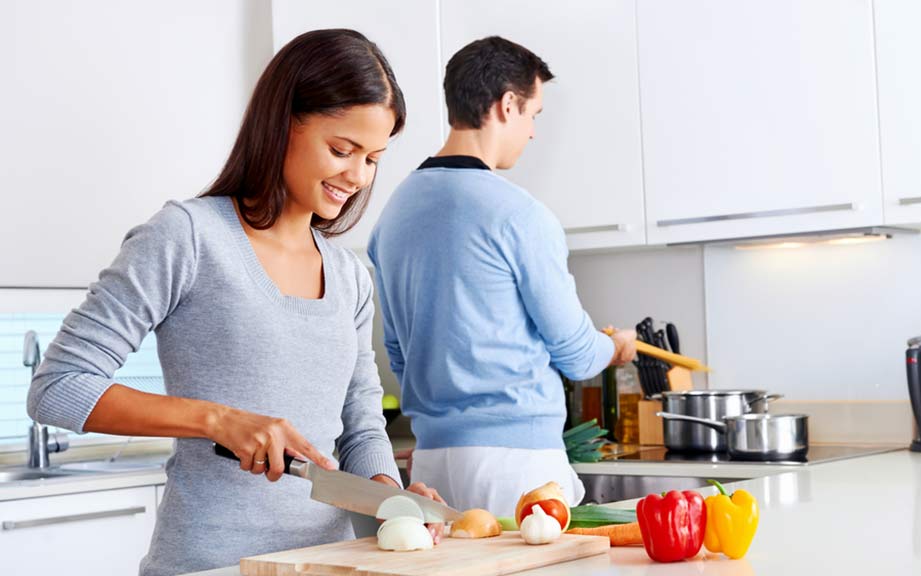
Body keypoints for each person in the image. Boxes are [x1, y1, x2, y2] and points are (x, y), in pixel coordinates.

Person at [26, 29, 444, 576]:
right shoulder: (189, 237)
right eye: (342, 150)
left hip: (327, 564)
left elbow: (361, 426)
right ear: (282, 122)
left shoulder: (349, 276)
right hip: (210, 563)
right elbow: (57, 388)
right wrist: (217, 420)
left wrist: (392, 502)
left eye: (372, 158)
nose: (358, 177)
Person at [368, 36, 637, 517]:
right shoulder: (519, 215)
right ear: (507, 105)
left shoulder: (393, 216)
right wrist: (615, 348)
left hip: (430, 464)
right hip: (519, 466)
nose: (533, 132)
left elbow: (397, 353)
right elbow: (576, 353)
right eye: (533, 114)